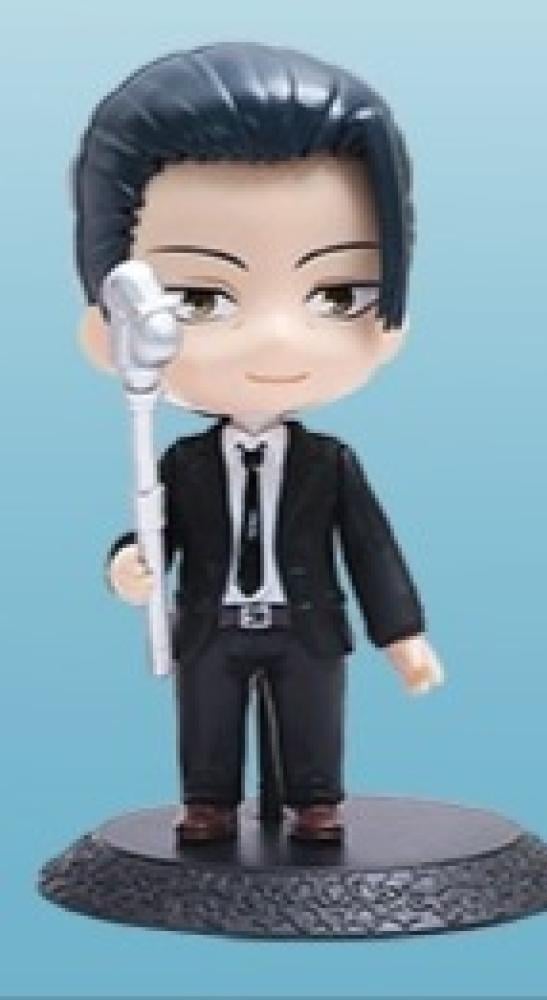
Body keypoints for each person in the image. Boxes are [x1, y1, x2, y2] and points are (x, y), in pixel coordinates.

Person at [75, 42, 444, 842]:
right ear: (112, 329)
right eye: (199, 298)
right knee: (207, 720)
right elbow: (156, 529)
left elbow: (370, 548)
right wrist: (129, 563)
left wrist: (402, 635)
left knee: (311, 718)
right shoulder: (181, 463)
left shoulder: (327, 463)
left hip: (304, 622)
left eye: (339, 294)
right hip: (211, 622)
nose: (276, 339)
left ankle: (316, 802)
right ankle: (208, 802)